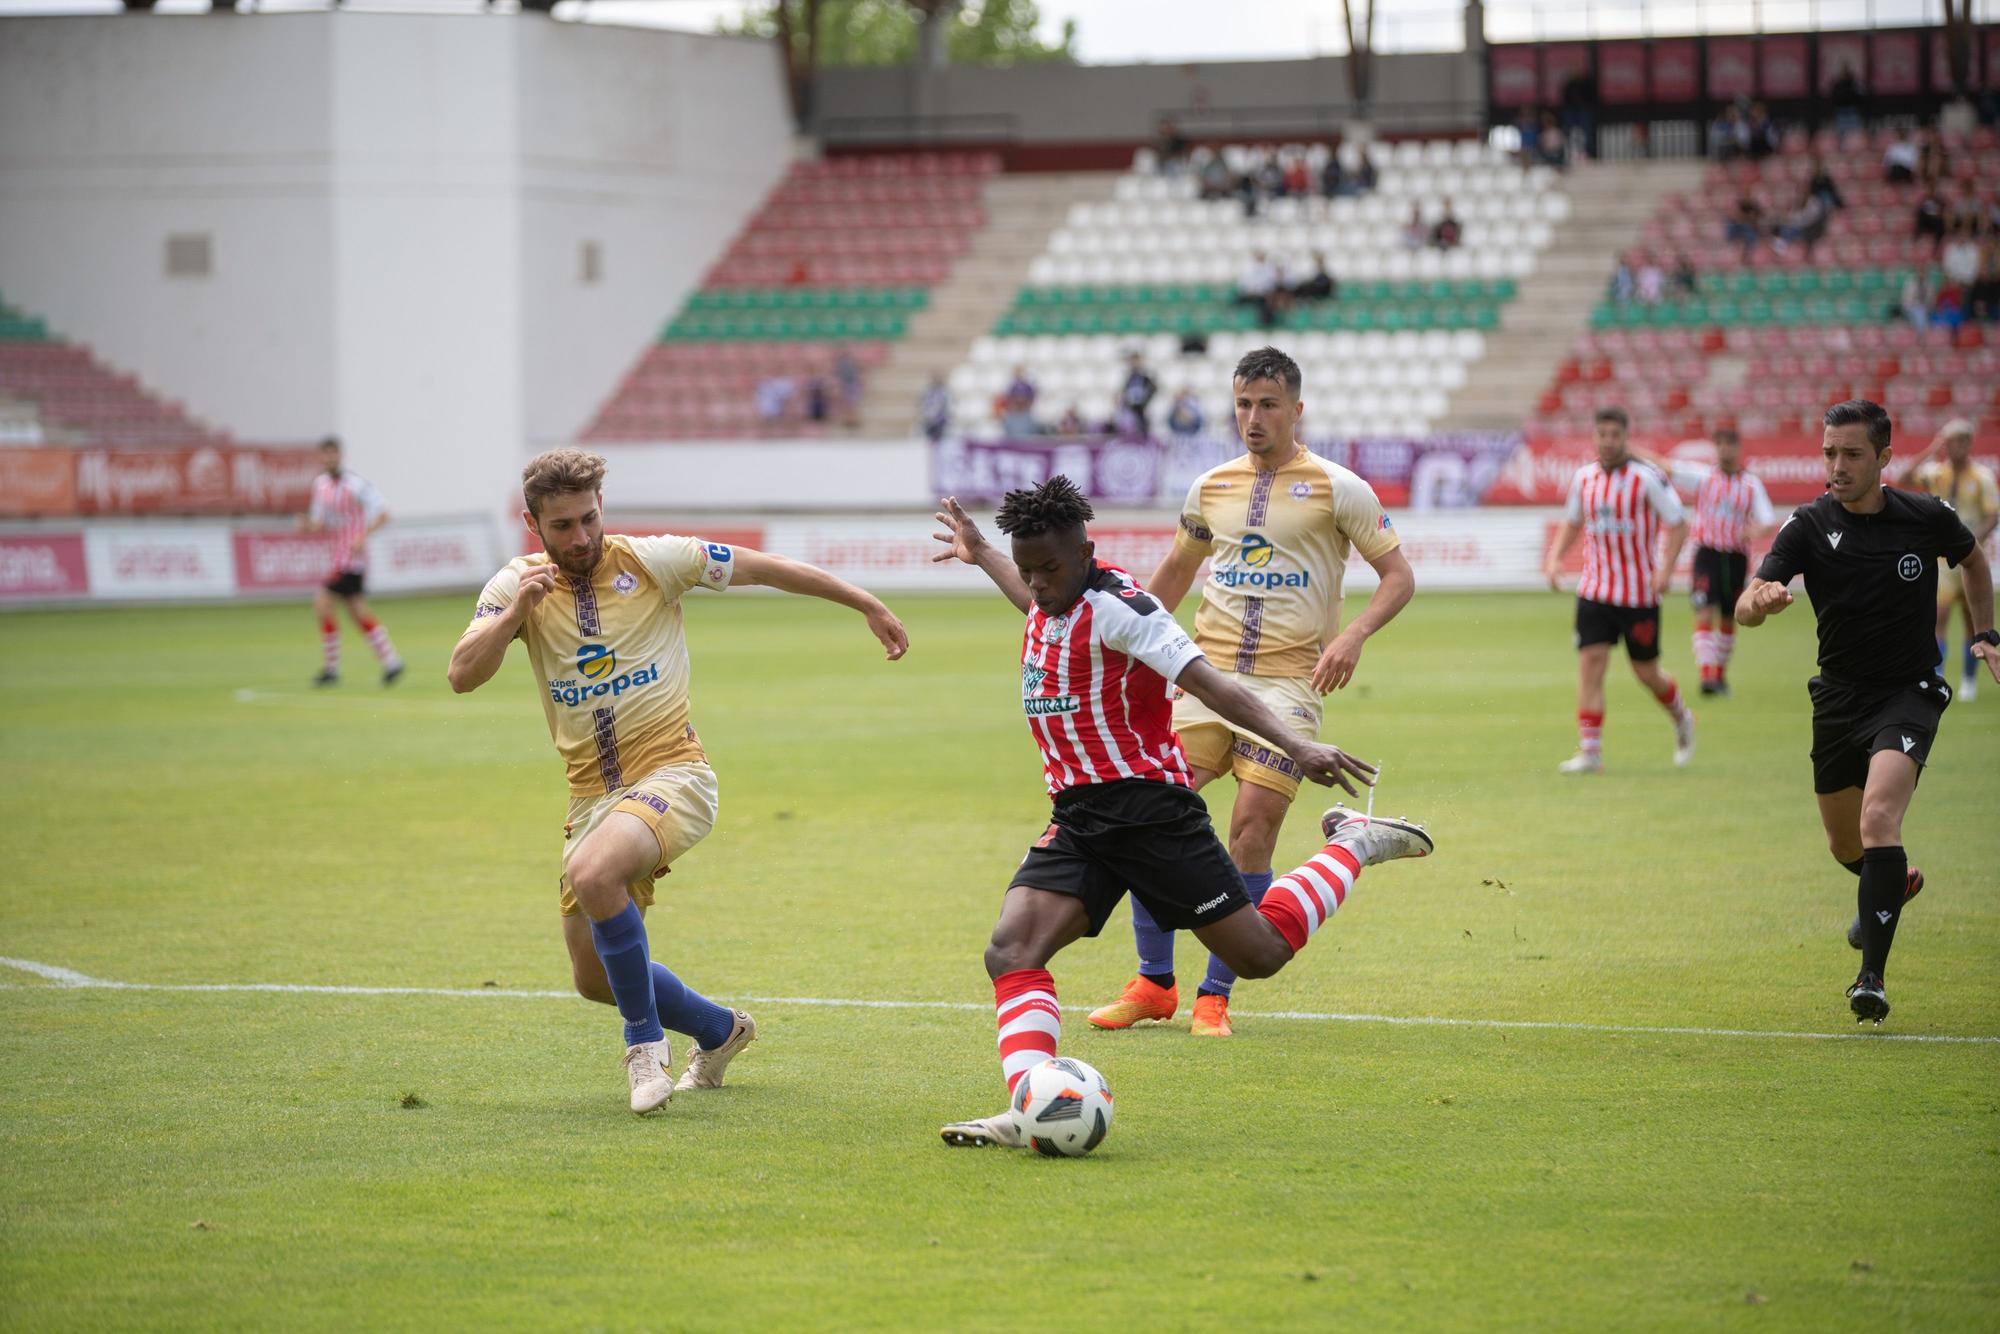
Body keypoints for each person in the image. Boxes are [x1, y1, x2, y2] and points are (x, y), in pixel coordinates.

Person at [927, 476, 1433, 1147]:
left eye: (1050, 568)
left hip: (1150, 811)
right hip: (1081, 814)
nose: (1038, 584)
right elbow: (1035, 599)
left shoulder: (1127, 609)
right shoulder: (1053, 595)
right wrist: (986, 554)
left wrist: (1296, 746)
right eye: (1029, 570)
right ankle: (1030, 1109)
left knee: (1258, 954)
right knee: (1012, 950)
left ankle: (1354, 845)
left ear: (1086, 553)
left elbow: (1209, 682)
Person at [446, 449, 909, 1113]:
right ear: (532, 524)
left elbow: (763, 566)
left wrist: (863, 600)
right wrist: (514, 611)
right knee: (592, 977)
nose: (579, 538)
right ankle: (721, 1031)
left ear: (602, 510)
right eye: (562, 527)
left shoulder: (650, 560)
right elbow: (463, 673)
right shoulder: (515, 584)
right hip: (590, 798)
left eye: (588, 519)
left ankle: (644, 1050)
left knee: (595, 874)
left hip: (675, 773)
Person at [1082, 345, 1416, 1038]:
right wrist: (1127, 645)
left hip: (1289, 683)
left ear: (1297, 408)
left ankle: (1215, 995)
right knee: (1152, 814)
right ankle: (1153, 983)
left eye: (1267, 405)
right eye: (1242, 404)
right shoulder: (1209, 487)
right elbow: (1175, 571)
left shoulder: (1339, 487)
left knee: (1251, 830)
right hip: (1203, 675)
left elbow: (1398, 577)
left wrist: (1351, 637)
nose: (1253, 418)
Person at [1734, 400, 1996, 1025]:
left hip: (1908, 692)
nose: (1837, 465)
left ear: (1883, 459)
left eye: (1852, 454)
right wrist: (1763, 600)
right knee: (1844, 842)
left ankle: (1870, 978)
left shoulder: (1924, 516)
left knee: (1881, 816)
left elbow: (1974, 562)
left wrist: (1986, 634)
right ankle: (1894, 881)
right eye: (1829, 452)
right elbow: (1745, 605)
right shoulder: (1807, 524)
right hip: (1838, 697)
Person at [1543, 407, 1695, 773]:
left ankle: (1681, 718)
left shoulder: (1647, 478)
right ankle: (1590, 753)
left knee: (1646, 672)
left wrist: (1666, 570)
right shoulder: (1584, 479)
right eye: (1602, 434)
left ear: (1625, 437)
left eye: (1615, 434)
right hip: (1594, 591)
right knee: (1590, 667)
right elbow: (1573, 522)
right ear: (1594, 437)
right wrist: (1554, 558)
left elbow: (1678, 523)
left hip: (1639, 594)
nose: (1608, 441)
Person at [1635, 429, 1776, 696]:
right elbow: (1666, 466)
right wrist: (1632, 452)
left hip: (1734, 557)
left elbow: (1767, 519)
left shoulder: (1750, 485)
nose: (1725, 450)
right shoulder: (1704, 476)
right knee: (1703, 610)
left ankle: (1720, 675)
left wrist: (1752, 531)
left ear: (1737, 448)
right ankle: (1707, 675)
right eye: (1720, 445)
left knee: (1727, 616)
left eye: (1729, 445)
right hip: (1707, 554)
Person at [1891, 420, 2000, 700]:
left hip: (1968, 560)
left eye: (1961, 441)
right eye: (1951, 441)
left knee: (1971, 620)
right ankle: (1937, 675)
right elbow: (1902, 478)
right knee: (1938, 615)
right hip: (1941, 561)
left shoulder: (1982, 477)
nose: (1955, 447)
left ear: (1969, 444)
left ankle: (1968, 680)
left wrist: (1971, 542)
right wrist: (1930, 450)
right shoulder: (1936, 473)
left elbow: (1991, 514)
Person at [302, 435, 403, 688]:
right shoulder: (321, 485)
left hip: (351, 560)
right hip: (337, 557)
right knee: (357, 611)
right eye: (325, 454)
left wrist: (363, 536)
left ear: (339, 455)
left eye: (332, 453)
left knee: (323, 603)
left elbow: (384, 512)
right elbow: (319, 522)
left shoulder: (355, 484)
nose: (329, 458)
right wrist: (306, 525)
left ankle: (332, 668)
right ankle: (391, 661)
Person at [1120, 352, 1158, 437]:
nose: (1134, 363)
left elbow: (1153, 389)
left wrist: (1145, 401)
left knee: (1142, 426)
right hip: (1132, 406)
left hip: (1143, 406)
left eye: (1136, 361)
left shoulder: (1146, 376)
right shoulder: (1129, 376)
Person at [919, 373, 952, 443]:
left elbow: (946, 406)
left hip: (941, 421)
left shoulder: (944, 391)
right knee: (931, 441)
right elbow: (924, 405)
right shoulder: (928, 392)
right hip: (930, 420)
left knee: (941, 440)